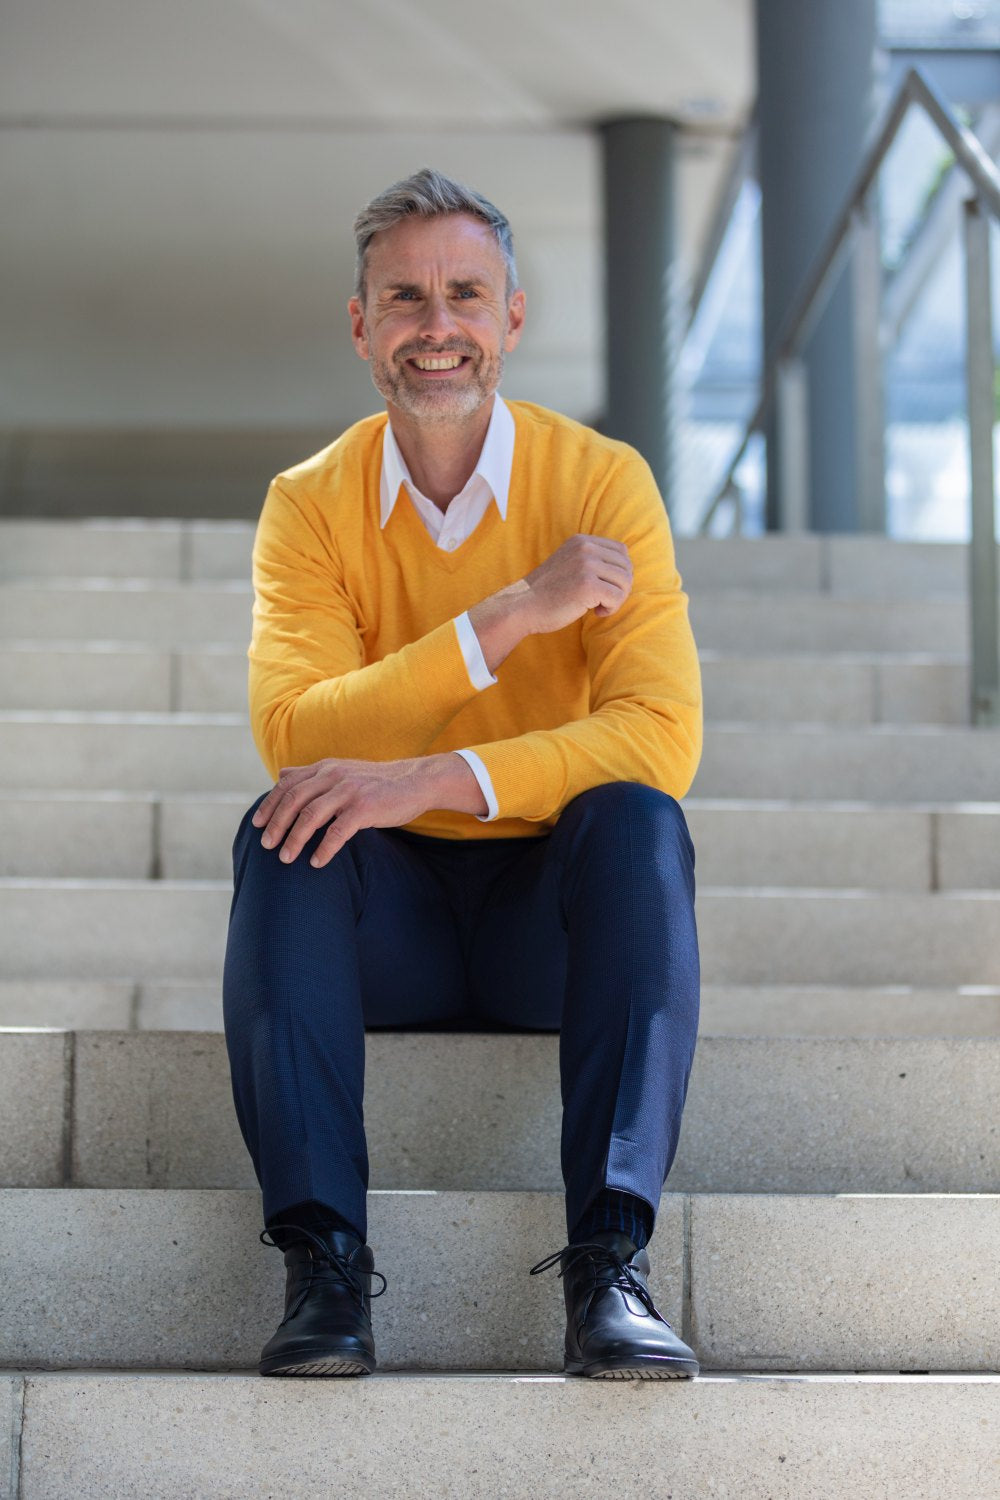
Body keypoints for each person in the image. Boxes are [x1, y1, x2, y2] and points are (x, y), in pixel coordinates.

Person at [222, 167, 703, 1381]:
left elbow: (658, 736)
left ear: (512, 318)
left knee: (639, 822)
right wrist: (509, 617)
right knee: (285, 824)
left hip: (551, 922)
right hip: (385, 931)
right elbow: (297, 731)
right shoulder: (309, 505)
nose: (436, 326)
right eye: (404, 298)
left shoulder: (600, 482)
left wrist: (430, 777)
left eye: (465, 295)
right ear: (361, 325)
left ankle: (609, 1266)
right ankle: (325, 1269)